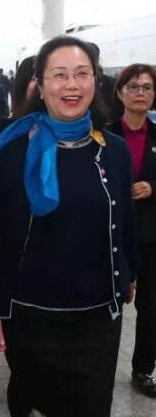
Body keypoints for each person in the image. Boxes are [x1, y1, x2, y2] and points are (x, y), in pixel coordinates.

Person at [0, 36, 139, 417]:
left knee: (92, 406)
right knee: (34, 403)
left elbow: (125, 220)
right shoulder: (15, 150)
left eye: (82, 74)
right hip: (31, 315)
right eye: (60, 75)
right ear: (39, 84)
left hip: (98, 317)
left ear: (95, 81)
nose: (72, 85)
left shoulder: (113, 150)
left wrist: (128, 273)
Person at [109, 63, 156, 398]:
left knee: (151, 309)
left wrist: (153, 186)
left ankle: (142, 369)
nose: (141, 93)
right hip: (112, 235)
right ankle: (99, 367)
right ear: (120, 92)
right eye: (134, 86)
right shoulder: (104, 133)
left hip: (151, 236)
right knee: (109, 307)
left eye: (147, 87)